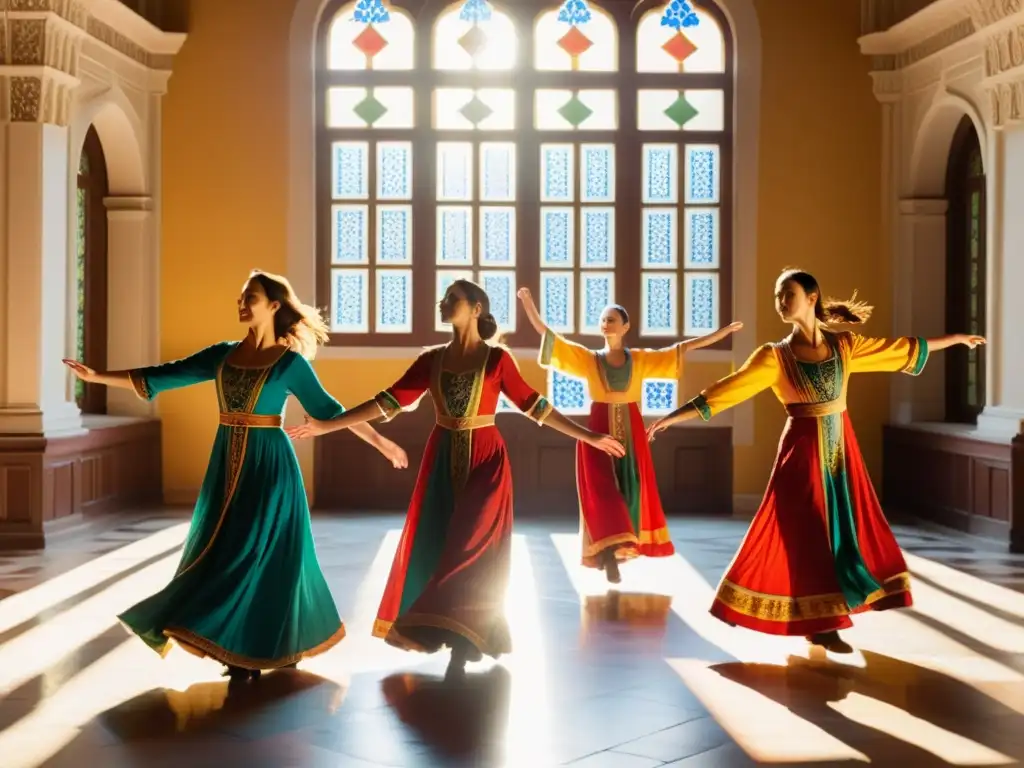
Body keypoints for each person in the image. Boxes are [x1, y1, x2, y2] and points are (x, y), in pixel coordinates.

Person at [63, 269, 408, 682]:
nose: (243, 304)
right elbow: (166, 374)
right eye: (241, 297)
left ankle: (269, 646)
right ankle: (232, 647)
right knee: (223, 551)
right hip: (225, 463)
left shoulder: (289, 364)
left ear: (275, 306)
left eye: (252, 297)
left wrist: (383, 443)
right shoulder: (223, 355)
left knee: (262, 557)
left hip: (271, 466)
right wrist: (97, 377)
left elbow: (331, 411)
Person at [286, 279, 625, 680]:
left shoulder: (497, 360)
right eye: (443, 297)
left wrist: (589, 435)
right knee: (440, 545)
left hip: (487, 461)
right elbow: (386, 401)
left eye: (453, 299)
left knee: (473, 546)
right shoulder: (431, 360)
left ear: (477, 308)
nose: (443, 302)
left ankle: (467, 639)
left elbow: (537, 407)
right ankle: (448, 631)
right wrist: (329, 426)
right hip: (441, 458)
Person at [647, 268, 986, 652]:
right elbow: (727, 390)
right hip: (801, 454)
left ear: (812, 297)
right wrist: (673, 417)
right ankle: (821, 624)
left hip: (842, 453)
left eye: (787, 293)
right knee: (808, 533)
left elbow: (898, 349)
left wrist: (954, 339)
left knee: (839, 532)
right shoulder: (774, 357)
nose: (780, 302)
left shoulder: (844, 346)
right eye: (777, 295)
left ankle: (821, 620)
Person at [518, 287, 742, 583]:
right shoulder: (588, 358)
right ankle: (607, 554)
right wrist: (529, 305)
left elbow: (682, 348)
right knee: (602, 490)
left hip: (632, 429)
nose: (606, 324)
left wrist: (720, 335)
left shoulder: (639, 359)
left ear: (625, 327)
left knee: (630, 489)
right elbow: (550, 338)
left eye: (612, 320)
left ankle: (619, 548)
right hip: (596, 428)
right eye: (603, 320)